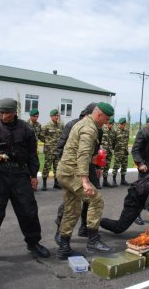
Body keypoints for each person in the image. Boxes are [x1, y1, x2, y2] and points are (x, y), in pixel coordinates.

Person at [0, 98, 50, 267]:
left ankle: (33, 243)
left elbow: (32, 155)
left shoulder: (26, 129)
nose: (2, 116)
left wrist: (33, 176)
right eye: (0, 112)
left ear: (14, 112)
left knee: (28, 211)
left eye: (6, 113)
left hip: (20, 175)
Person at [56, 102, 114, 260]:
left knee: (72, 209)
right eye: (106, 118)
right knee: (96, 199)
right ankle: (93, 240)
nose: (107, 122)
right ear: (99, 114)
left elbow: (80, 153)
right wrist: (85, 180)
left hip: (65, 172)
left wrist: (94, 159)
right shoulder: (89, 128)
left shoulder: (83, 123)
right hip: (72, 173)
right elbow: (82, 154)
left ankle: (64, 248)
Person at [54, 103, 100, 245]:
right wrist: (68, 166)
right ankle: (60, 233)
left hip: (87, 168)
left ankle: (84, 228)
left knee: (86, 203)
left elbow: (94, 150)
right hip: (73, 170)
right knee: (72, 205)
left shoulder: (98, 128)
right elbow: (61, 147)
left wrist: (97, 165)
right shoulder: (74, 125)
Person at [41, 109, 64, 190]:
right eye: (55, 115)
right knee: (47, 166)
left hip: (57, 150)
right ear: (51, 116)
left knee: (57, 167)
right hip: (49, 150)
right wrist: (48, 142)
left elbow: (63, 136)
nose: (56, 117)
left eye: (57, 115)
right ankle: (44, 184)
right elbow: (41, 136)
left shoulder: (61, 125)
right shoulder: (46, 126)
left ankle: (56, 183)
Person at [111, 117, 130, 186]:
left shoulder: (127, 131)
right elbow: (113, 142)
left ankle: (123, 180)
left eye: (123, 124)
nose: (122, 126)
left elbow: (127, 141)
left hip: (125, 152)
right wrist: (116, 149)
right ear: (119, 124)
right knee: (116, 166)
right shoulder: (115, 131)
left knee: (124, 166)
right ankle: (114, 180)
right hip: (118, 152)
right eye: (121, 124)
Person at [101, 117, 116, 188]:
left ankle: (105, 181)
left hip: (109, 151)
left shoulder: (113, 131)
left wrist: (112, 149)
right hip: (102, 151)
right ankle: (97, 182)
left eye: (112, 124)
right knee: (100, 167)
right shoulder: (102, 129)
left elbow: (113, 142)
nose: (111, 125)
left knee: (107, 167)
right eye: (110, 124)